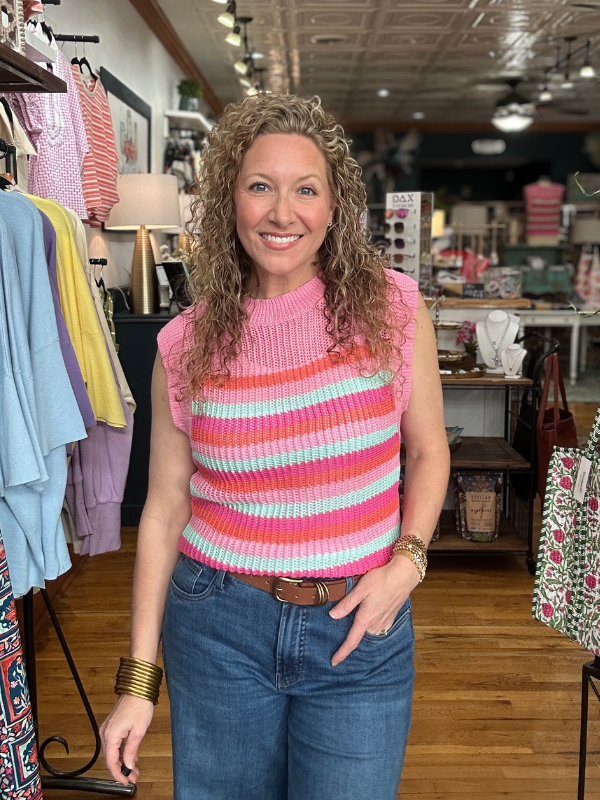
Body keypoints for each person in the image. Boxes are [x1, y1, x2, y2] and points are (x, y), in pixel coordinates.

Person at [100, 93, 450, 800]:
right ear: (229, 199)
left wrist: (407, 563)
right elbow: (165, 510)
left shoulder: (394, 308)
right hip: (219, 623)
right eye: (260, 186)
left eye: (305, 189)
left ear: (333, 205)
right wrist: (139, 681)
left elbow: (428, 453)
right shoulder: (185, 344)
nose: (281, 213)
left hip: (360, 623)